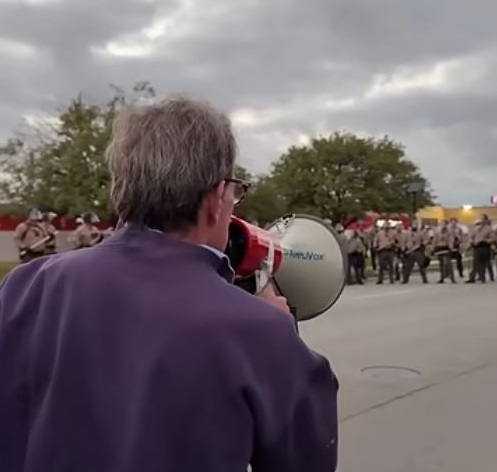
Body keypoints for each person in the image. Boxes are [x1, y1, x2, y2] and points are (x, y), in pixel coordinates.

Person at [0, 96, 339, 472]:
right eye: (235, 193)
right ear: (216, 198)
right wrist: (279, 336)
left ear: (124, 190)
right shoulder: (259, 330)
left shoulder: (25, 287)